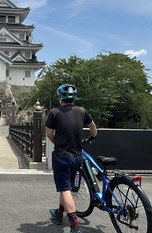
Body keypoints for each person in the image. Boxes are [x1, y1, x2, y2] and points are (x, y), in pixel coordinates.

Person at [45, 84, 98, 233]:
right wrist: (92, 137)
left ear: (60, 97)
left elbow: (49, 134)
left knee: (65, 188)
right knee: (66, 186)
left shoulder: (54, 112)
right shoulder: (82, 111)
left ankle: (75, 226)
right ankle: (59, 214)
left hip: (61, 155)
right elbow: (94, 129)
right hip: (76, 156)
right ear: (74, 97)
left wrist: (59, 143)